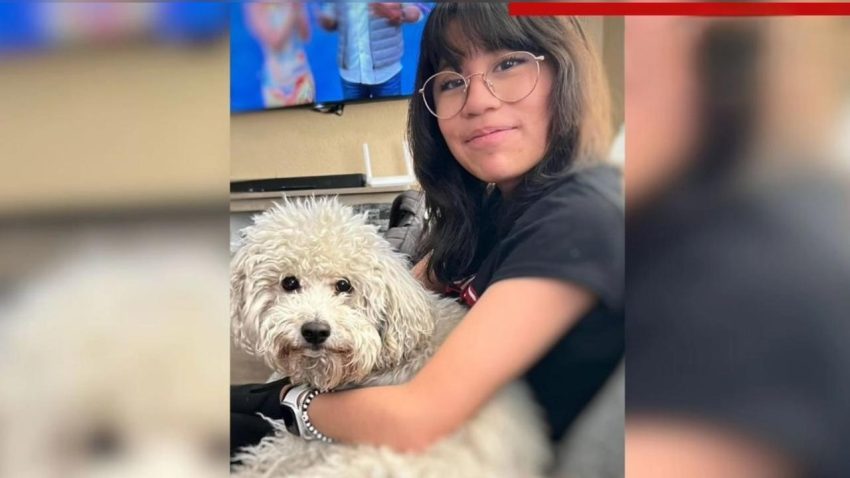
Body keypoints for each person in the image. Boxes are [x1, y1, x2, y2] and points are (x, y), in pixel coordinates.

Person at [231, 3, 623, 458]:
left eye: (509, 63)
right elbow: (405, 294)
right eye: (452, 81)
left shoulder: (580, 218)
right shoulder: (489, 208)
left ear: (566, 71)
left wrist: (287, 401)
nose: (478, 101)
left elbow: (417, 418)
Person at [317, 2, 430, 100]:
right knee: (354, 118)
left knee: (389, 117)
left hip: (386, 73)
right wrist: (326, 20)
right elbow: (330, 14)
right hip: (350, 74)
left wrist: (401, 14)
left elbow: (419, 8)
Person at [244, 2, 315, 107]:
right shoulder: (255, 6)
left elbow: (306, 36)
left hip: (302, 77)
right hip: (276, 84)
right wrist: (292, 12)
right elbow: (274, 42)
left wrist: (300, 11)